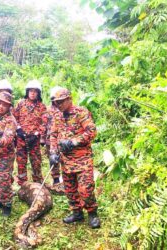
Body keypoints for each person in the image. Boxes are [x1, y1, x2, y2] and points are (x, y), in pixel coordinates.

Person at [49, 88, 101, 229]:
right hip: (66, 161)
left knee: (86, 189)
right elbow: (53, 135)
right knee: (70, 189)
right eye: (56, 103)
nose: (58, 105)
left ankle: (92, 213)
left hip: (82, 159)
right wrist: (53, 152)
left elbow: (92, 131)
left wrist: (73, 141)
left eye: (61, 102)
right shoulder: (57, 116)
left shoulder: (80, 112)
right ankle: (76, 212)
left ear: (69, 99)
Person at [13, 80, 47, 186]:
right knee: (21, 161)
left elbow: (44, 122)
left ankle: (38, 181)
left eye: (35, 91)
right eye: (31, 91)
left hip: (34, 139)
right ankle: (22, 183)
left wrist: (37, 134)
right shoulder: (20, 104)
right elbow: (14, 118)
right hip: (21, 138)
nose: (32, 93)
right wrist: (18, 129)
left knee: (36, 161)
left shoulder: (42, 106)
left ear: (38, 93)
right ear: (27, 92)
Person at [46, 86, 63, 185]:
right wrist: (43, 139)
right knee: (53, 158)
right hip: (50, 139)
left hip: (64, 139)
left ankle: (67, 179)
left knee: (64, 159)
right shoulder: (48, 110)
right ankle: (56, 179)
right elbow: (44, 124)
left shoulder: (64, 110)